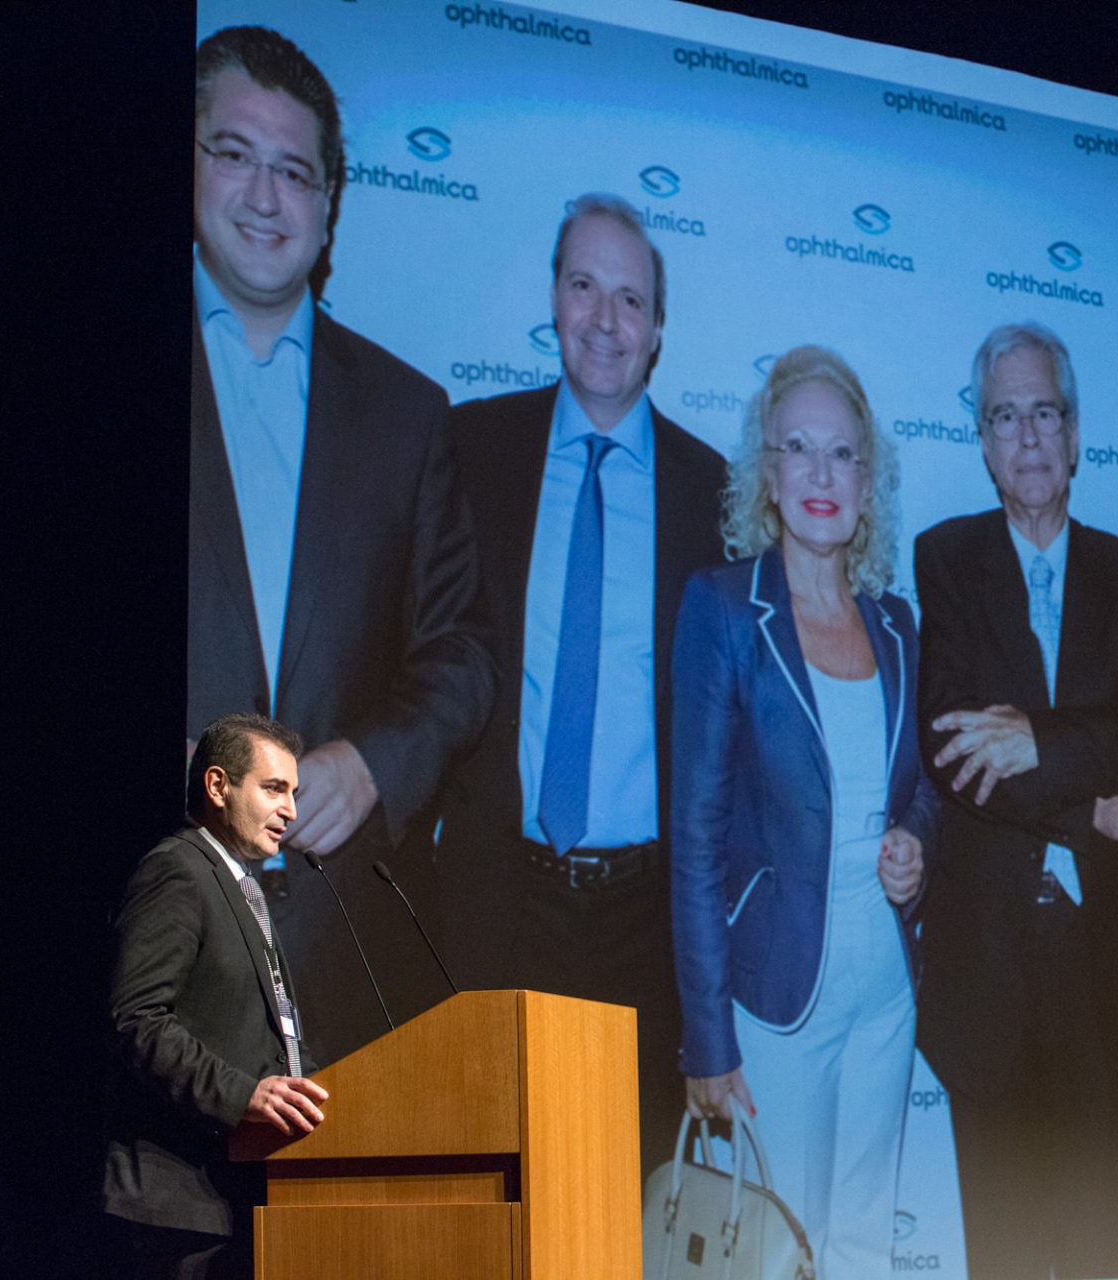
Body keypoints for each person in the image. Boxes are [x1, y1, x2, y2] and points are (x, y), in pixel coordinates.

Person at [188, 26, 495, 1065]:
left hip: (348, 960)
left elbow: (461, 653)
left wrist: (374, 764)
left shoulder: (408, 414)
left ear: (328, 207)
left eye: (294, 172)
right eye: (235, 155)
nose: (265, 197)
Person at [438, 193, 727, 1177]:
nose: (606, 319)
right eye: (584, 286)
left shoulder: (714, 492)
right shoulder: (471, 449)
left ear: (659, 328)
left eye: (630, 299)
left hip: (642, 925)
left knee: (611, 1200)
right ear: (554, 299)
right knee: (487, 1191)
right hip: (492, 896)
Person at [913, 322, 1118, 1280]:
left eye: (1044, 413)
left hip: (1109, 984)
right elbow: (951, 748)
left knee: (1102, 1259)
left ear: (1074, 435)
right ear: (983, 442)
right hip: (987, 985)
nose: (1027, 437)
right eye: (1004, 417)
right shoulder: (946, 559)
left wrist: (1039, 742)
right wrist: (1085, 808)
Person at [671, 346, 937, 1277]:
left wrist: (916, 842)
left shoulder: (897, 624)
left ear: (868, 481)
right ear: (769, 472)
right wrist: (707, 1039)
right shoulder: (722, 610)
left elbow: (919, 789)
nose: (822, 475)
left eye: (843, 454)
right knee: (779, 1251)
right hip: (776, 997)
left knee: (863, 1242)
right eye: (799, 449)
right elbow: (695, 842)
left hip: (887, 990)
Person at [102, 714, 330, 1279]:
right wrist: (244, 1095)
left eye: (294, 794)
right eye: (274, 789)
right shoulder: (177, 870)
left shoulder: (239, 885)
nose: (291, 811)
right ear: (217, 786)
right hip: (178, 1203)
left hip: (235, 1191)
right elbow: (138, 1019)